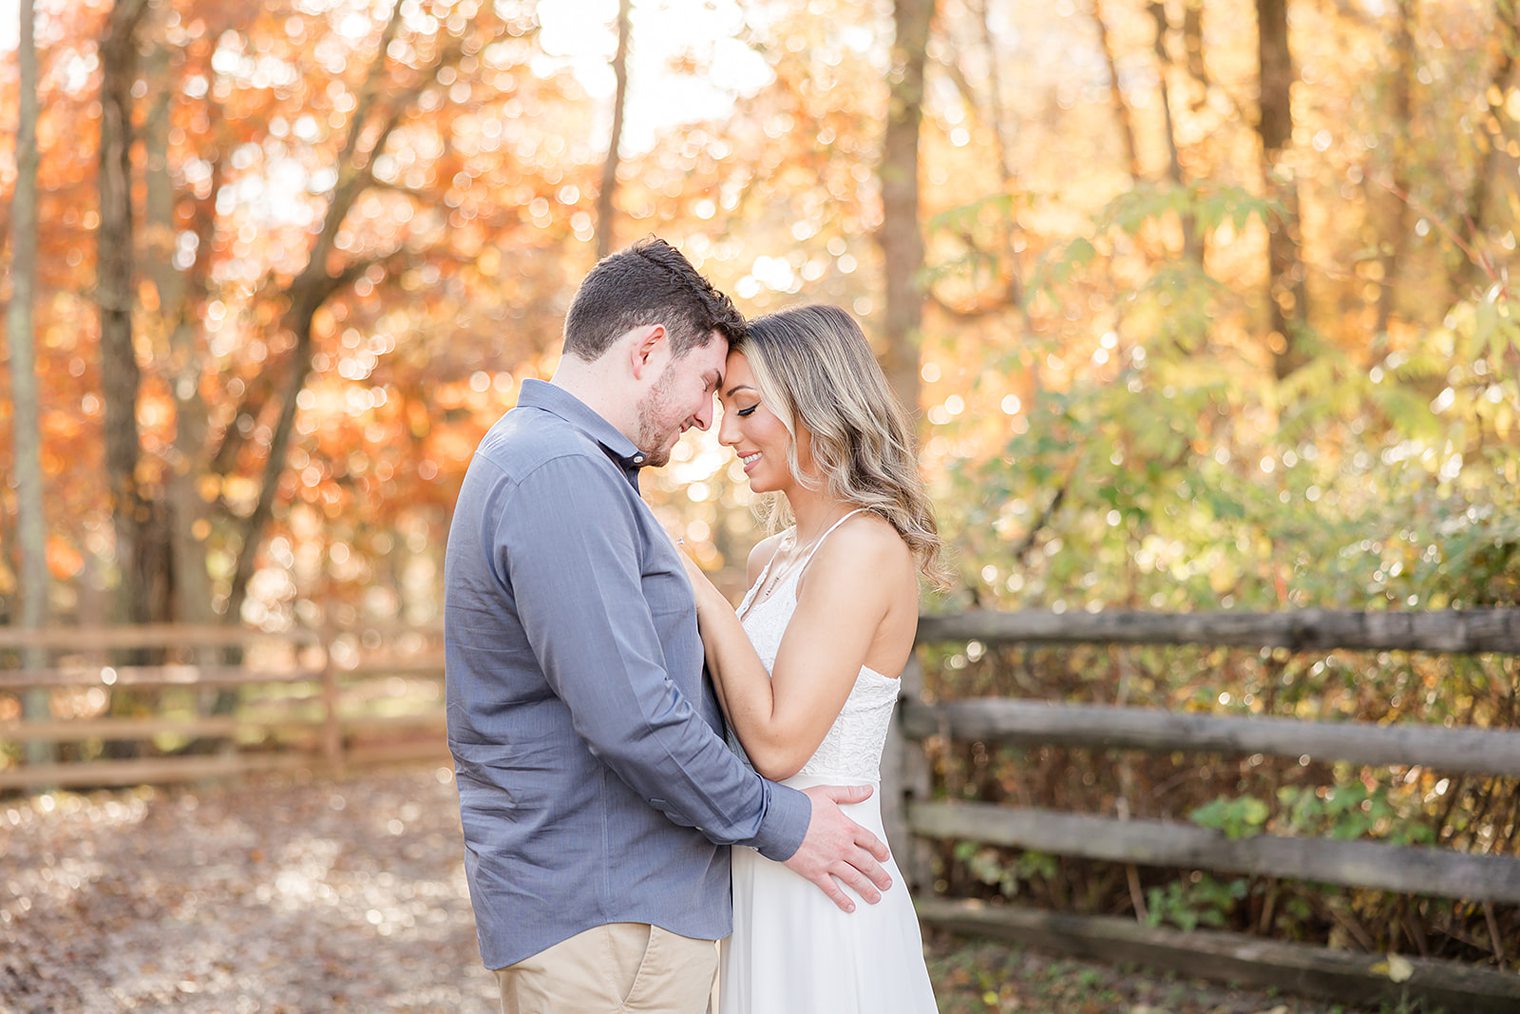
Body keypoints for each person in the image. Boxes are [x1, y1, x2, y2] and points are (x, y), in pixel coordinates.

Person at [443, 240, 894, 1014]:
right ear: (650, 350)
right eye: (709, 385)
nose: (708, 420)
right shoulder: (560, 472)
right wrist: (779, 820)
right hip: (609, 913)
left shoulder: (573, 469)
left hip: (647, 910)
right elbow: (633, 718)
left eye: (737, 402)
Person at [677, 304, 943, 1013]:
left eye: (747, 408)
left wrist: (695, 587)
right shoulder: (773, 557)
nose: (727, 433)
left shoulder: (864, 548)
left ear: (815, 403)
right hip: (764, 872)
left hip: (829, 894)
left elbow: (777, 743)